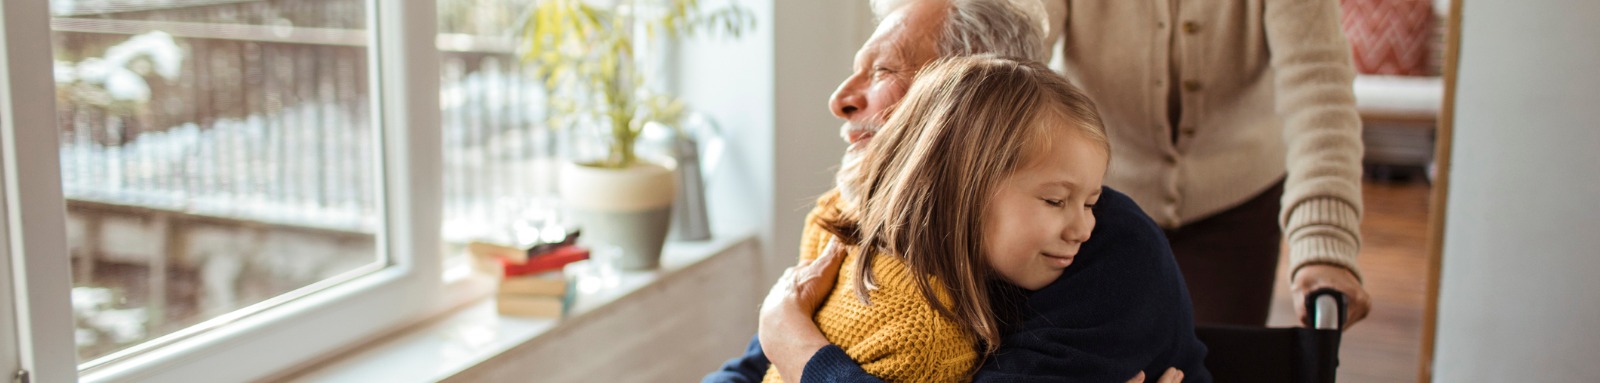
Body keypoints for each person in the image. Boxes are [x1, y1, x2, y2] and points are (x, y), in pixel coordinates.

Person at [706, 1, 1206, 382]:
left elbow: (788, 339)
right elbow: (756, 364)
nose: (839, 99)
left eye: (883, 70)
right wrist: (783, 332)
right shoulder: (881, 219)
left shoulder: (1105, 255)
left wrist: (794, 345)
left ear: (968, 108)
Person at [757, 54, 1144, 383]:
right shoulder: (926, 343)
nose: (1084, 229)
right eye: (1055, 201)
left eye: (1090, 203)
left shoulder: (835, 220)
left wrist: (788, 338)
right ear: (960, 189)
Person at [1037, 0, 1373, 327]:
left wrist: (1324, 241)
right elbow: (1018, 36)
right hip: (1098, 201)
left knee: (1221, 365)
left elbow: (1318, 86)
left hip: (1237, 204)